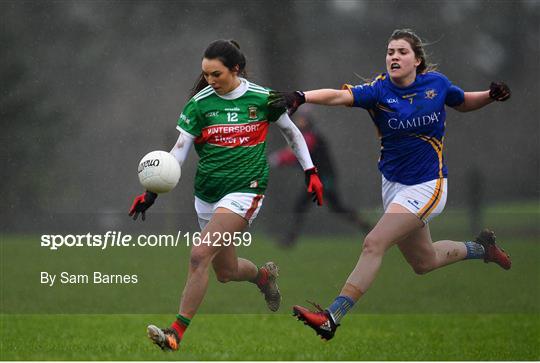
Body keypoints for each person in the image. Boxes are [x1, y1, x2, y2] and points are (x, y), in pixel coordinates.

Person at [269, 29, 512, 340]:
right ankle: (483, 249)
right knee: (424, 262)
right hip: (394, 187)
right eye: (390, 52)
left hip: (428, 185)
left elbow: (462, 101)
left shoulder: (436, 85)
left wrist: (490, 96)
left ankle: (332, 317)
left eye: (401, 52)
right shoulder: (379, 91)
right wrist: (302, 97)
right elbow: (340, 96)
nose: (394, 57)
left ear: (417, 60)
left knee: (374, 242)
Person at [128, 39, 324, 351]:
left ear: (236, 69)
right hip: (207, 193)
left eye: (216, 74)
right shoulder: (200, 104)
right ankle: (263, 277)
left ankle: (175, 333)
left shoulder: (263, 98)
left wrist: (310, 172)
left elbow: (292, 133)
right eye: (205, 75)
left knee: (198, 254)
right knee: (225, 272)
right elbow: (178, 153)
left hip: (246, 190)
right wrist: (151, 192)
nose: (210, 81)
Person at [269, 107, 371, 247]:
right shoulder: (309, 135)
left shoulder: (311, 136)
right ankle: (366, 226)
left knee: (332, 208)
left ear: (308, 120)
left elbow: (295, 152)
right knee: (325, 208)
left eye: (302, 119)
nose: (299, 121)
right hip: (317, 178)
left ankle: (367, 227)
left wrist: (278, 159)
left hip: (323, 179)